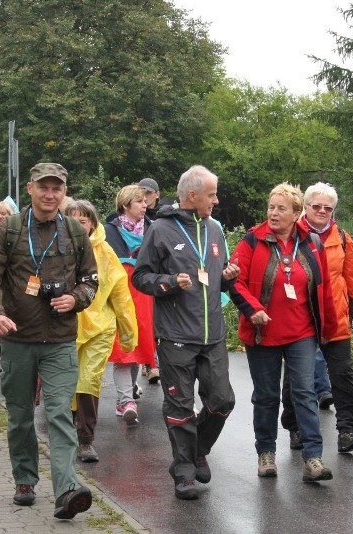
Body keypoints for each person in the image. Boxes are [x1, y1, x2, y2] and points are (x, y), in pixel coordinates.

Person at [0, 162, 98, 519]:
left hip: (60, 340)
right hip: (17, 339)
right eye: (43, 187)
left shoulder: (75, 231)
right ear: (30, 189)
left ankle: (66, 491)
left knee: (60, 413)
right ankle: (25, 479)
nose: (50, 194)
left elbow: (91, 280)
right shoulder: (9, 230)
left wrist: (76, 298)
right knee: (20, 417)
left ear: (64, 192)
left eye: (57, 189)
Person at [131, 165, 240, 500]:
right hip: (177, 334)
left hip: (213, 334)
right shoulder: (161, 229)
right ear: (192, 195)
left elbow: (215, 274)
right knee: (180, 405)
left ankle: (195, 451)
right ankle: (184, 471)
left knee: (223, 400)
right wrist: (167, 283)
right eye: (211, 194)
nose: (216, 200)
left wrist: (228, 274)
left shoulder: (215, 229)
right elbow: (140, 277)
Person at [229, 182, 336, 482]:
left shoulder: (312, 242)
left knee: (304, 393)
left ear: (296, 213)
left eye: (281, 208)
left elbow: (322, 287)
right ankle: (266, 454)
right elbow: (235, 281)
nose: (274, 213)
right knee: (266, 396)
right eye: (271, 207)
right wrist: (253, 310)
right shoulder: (252, 240)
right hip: (263, 333)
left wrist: (328, 329)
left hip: (302, 331)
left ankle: (313, 458)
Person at [279, 182, 353, 453]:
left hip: (336, 317)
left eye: (327, 208)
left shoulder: (341, 237)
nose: (321, 211)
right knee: (298, 377)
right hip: (301, 318)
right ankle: (295, 428)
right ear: (304, 207)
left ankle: (347, 431)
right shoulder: (291, 234)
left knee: (342, 376)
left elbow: (352, 277)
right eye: (316, 206)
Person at [65, 199, 137, 462]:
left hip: (99, 329)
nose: (76, 226)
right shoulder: (55, 249)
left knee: (88, 380)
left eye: (82, 222)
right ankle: (69, 429)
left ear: (92, 223)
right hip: (64, 329)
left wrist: (129, 334)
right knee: (67, 382)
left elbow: (120, 295)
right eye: (71, 221)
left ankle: (86, 439)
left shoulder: (105, 253)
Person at [104, 185, 157, 422]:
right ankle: (125, 400)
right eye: (139, 201)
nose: (145, 205)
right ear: (125, 205)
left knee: (140, 345)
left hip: (145, 296)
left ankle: (130, 391)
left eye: (145, 201)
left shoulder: (153, 229)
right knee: (122, 346)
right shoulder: (108, 231)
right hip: (119, 295)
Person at [137, 177, 162, 384]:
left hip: (156, 274)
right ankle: (147, 361)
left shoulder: (164, 217)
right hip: (138, 275)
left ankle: (152, 362)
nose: (145, 198)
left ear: (157, 195)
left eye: (148, 193)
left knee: (153, 320)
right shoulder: (126, 218)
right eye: (141, 193)